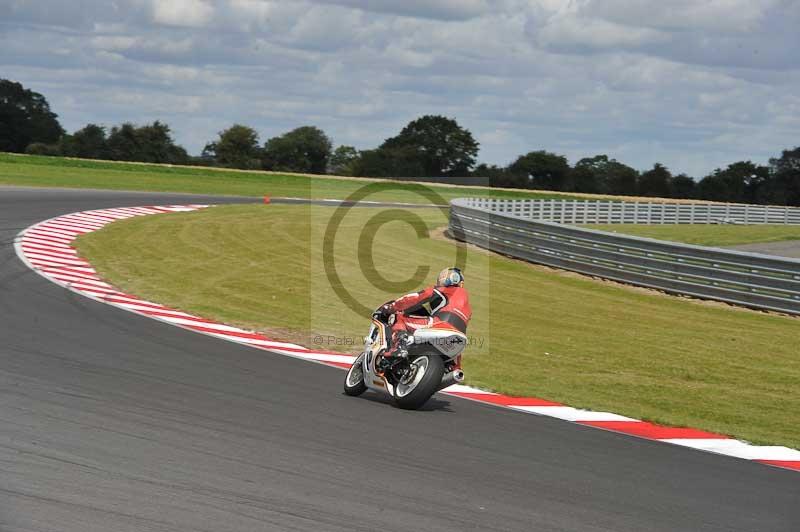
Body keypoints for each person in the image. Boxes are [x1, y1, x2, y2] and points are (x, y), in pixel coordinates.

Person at [374, 267, 471, 364]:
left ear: (454, 278)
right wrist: (457, 366)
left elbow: (415, 298)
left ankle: (399, 347)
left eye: (445, 276)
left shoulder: (446, 290)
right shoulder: (468, 307)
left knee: (399, 318)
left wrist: (392, 306)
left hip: (440, 324)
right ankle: (452, 367)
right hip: (458, 339)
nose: (441, 279)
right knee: (451, 365)